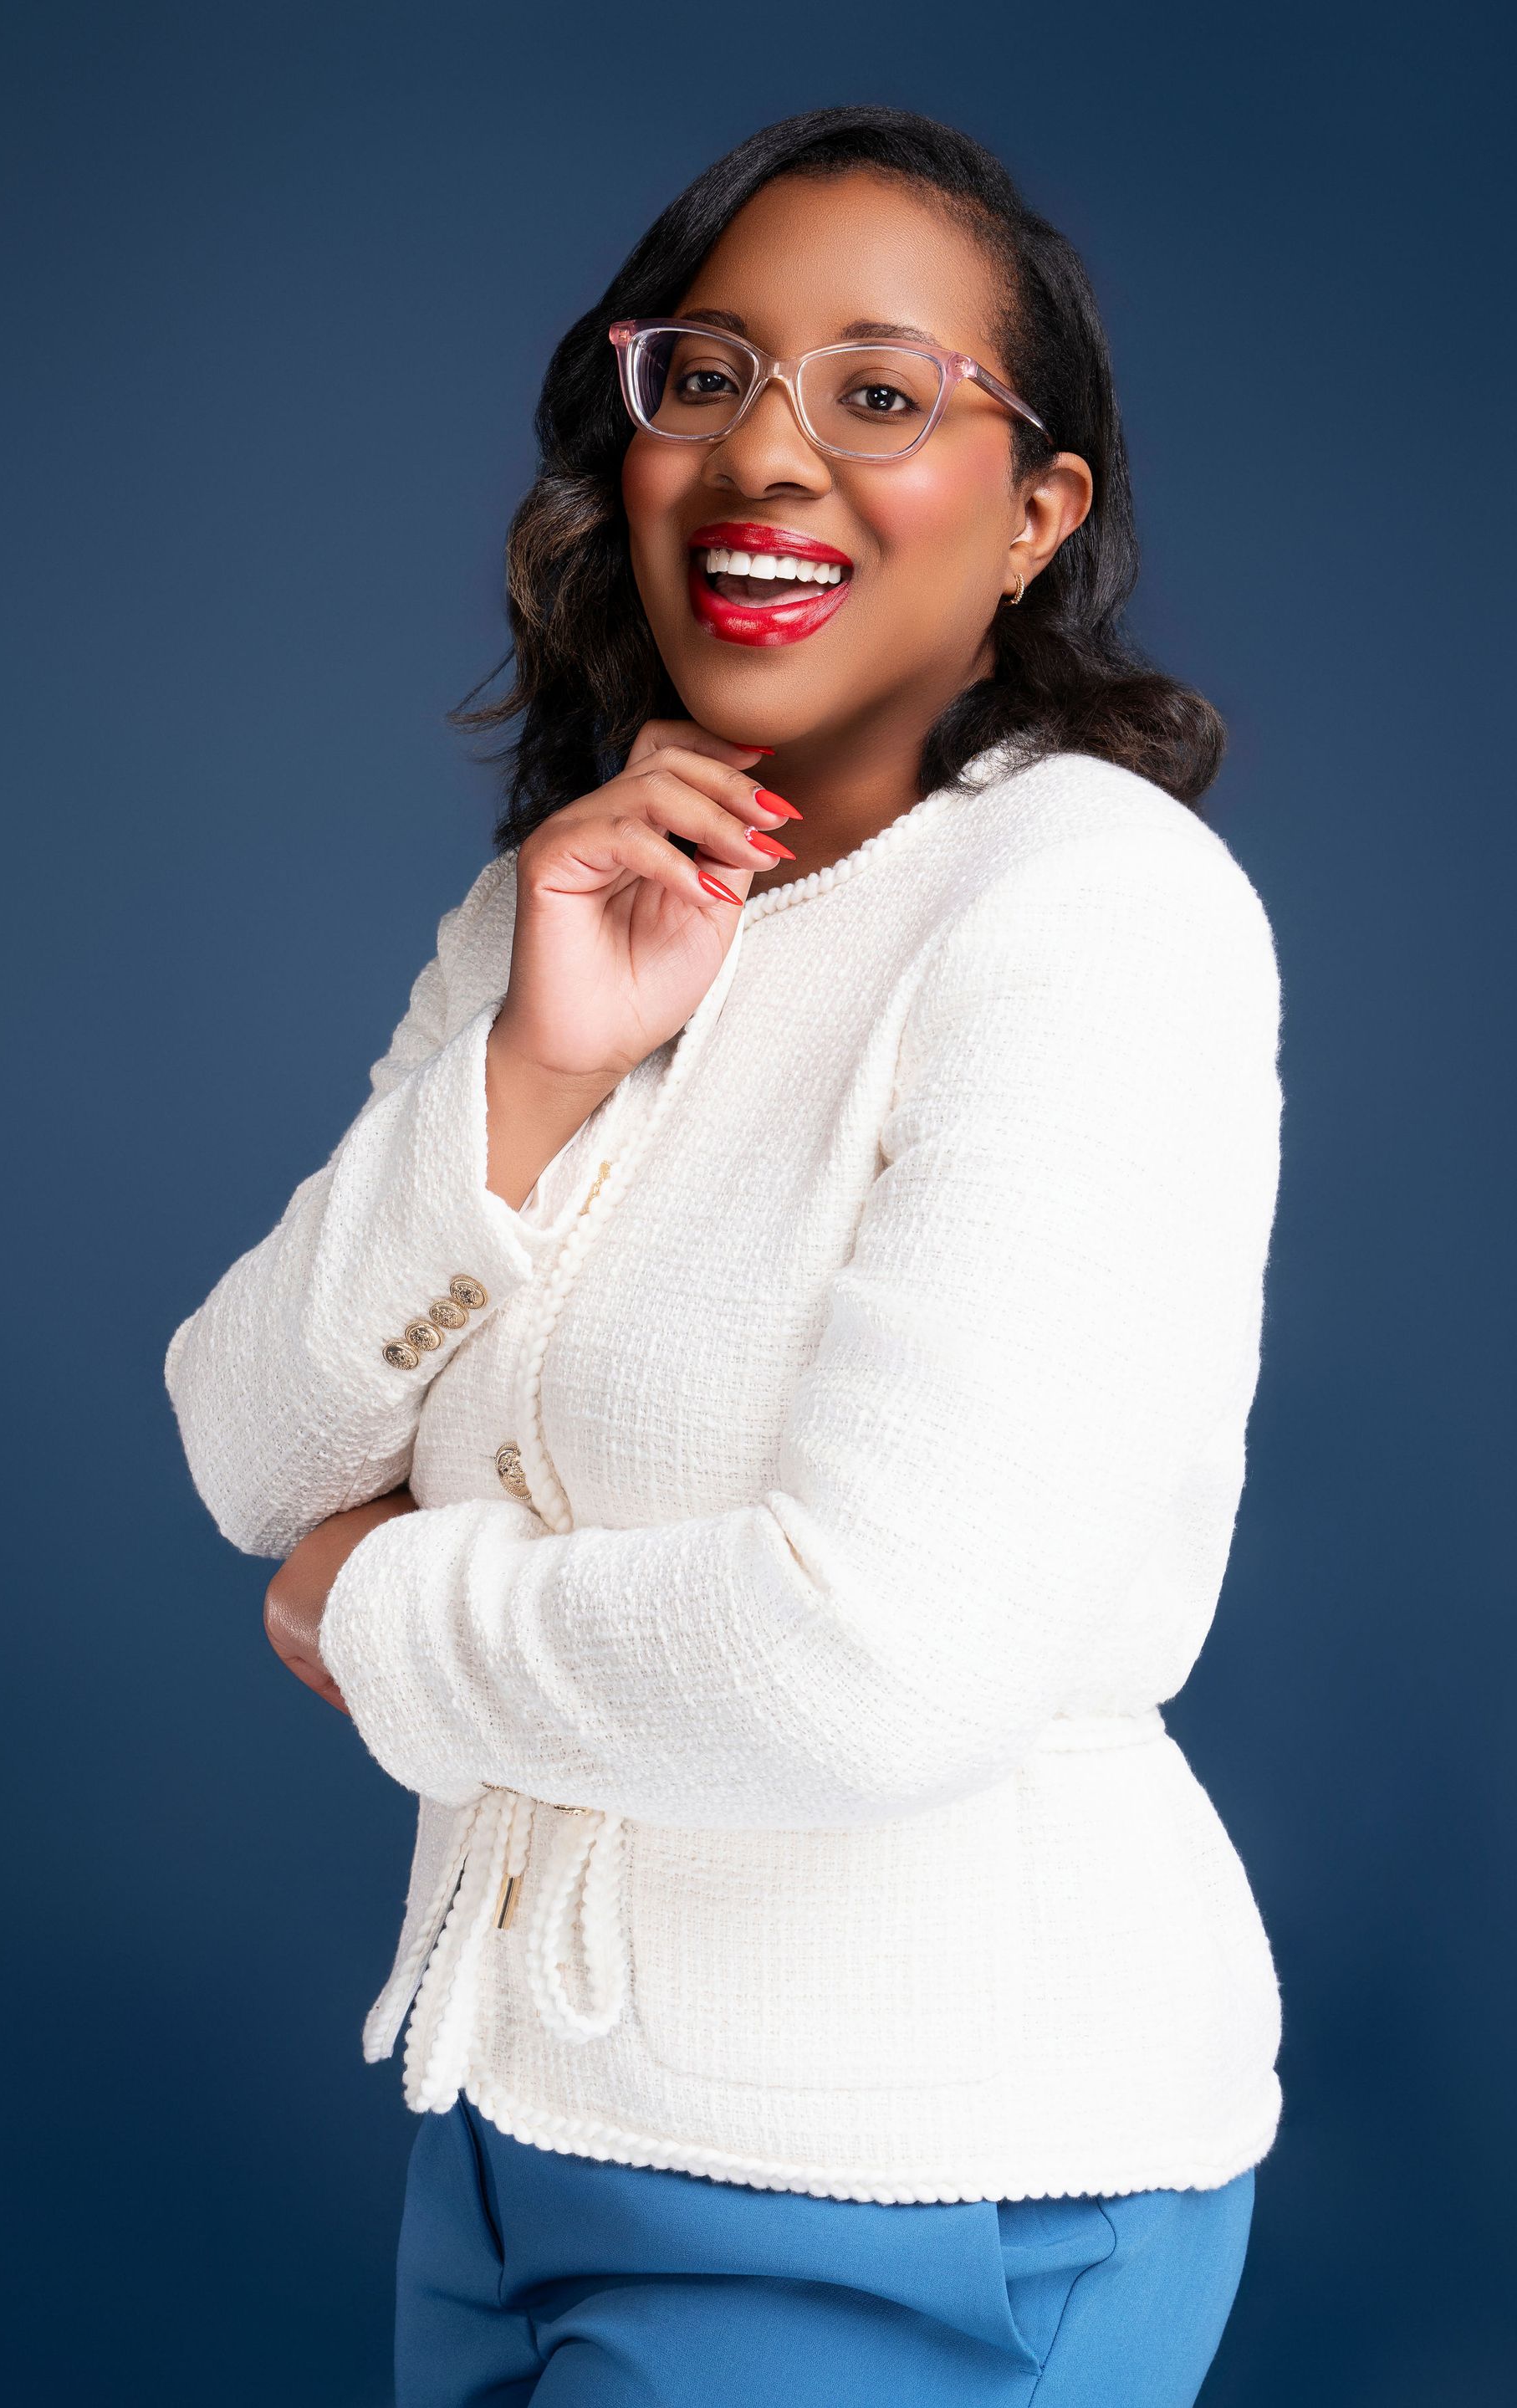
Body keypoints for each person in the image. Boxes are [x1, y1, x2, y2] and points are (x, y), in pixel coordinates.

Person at [166, 105, 1285, 2407]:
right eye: (705, 380)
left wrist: (360, 1616)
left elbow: (870, 1655)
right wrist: (536, 1067)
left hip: (912, 2178)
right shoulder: (564, 897)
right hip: (508, 2141)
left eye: (881, 396)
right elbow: (240, 1429)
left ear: (1035, 513)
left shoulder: (1091, 912)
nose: (771, 462)